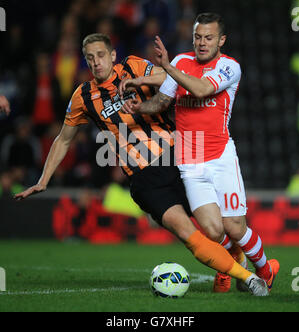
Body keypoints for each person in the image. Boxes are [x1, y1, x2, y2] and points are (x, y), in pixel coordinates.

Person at [15, 33, 268, 296]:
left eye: (101, 55)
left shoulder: (133, 66)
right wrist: (43, 180)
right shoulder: (83, 96)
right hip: (144, 179)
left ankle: (234, 258)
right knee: (188, 234)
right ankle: (248, 278)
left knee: (215, 228)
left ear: (112, 55)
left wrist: (140, 80)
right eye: (90, 58)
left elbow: (171, 77)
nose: (96, 62)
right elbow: (63, 139)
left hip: (176, 157)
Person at [120, 13, 280, 293]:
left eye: (208, 37)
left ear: (221, 40)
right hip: (190, 163)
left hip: (221, 158)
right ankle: (232, 265)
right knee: (213, 231)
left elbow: (203, 89)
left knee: (234, 226)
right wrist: (139, 107)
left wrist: (167, 67)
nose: (202, 43)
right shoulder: (182, 62)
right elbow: (162, 101)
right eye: (197, 37)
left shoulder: (230, 67)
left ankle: (266, 269)